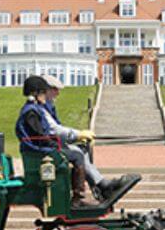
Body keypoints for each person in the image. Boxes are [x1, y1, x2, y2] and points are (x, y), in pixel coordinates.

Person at [15, 75, 133, 207]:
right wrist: (58, 143)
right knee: (76, 155)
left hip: (41, 149)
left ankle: (100, 187)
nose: (45, 95)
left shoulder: (34, 109)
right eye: (43, 92)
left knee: (80, 151)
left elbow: (44, 135)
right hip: (39, 152)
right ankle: (78, 199)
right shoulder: (32, 112)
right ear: (35, 93)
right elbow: (41, 135)